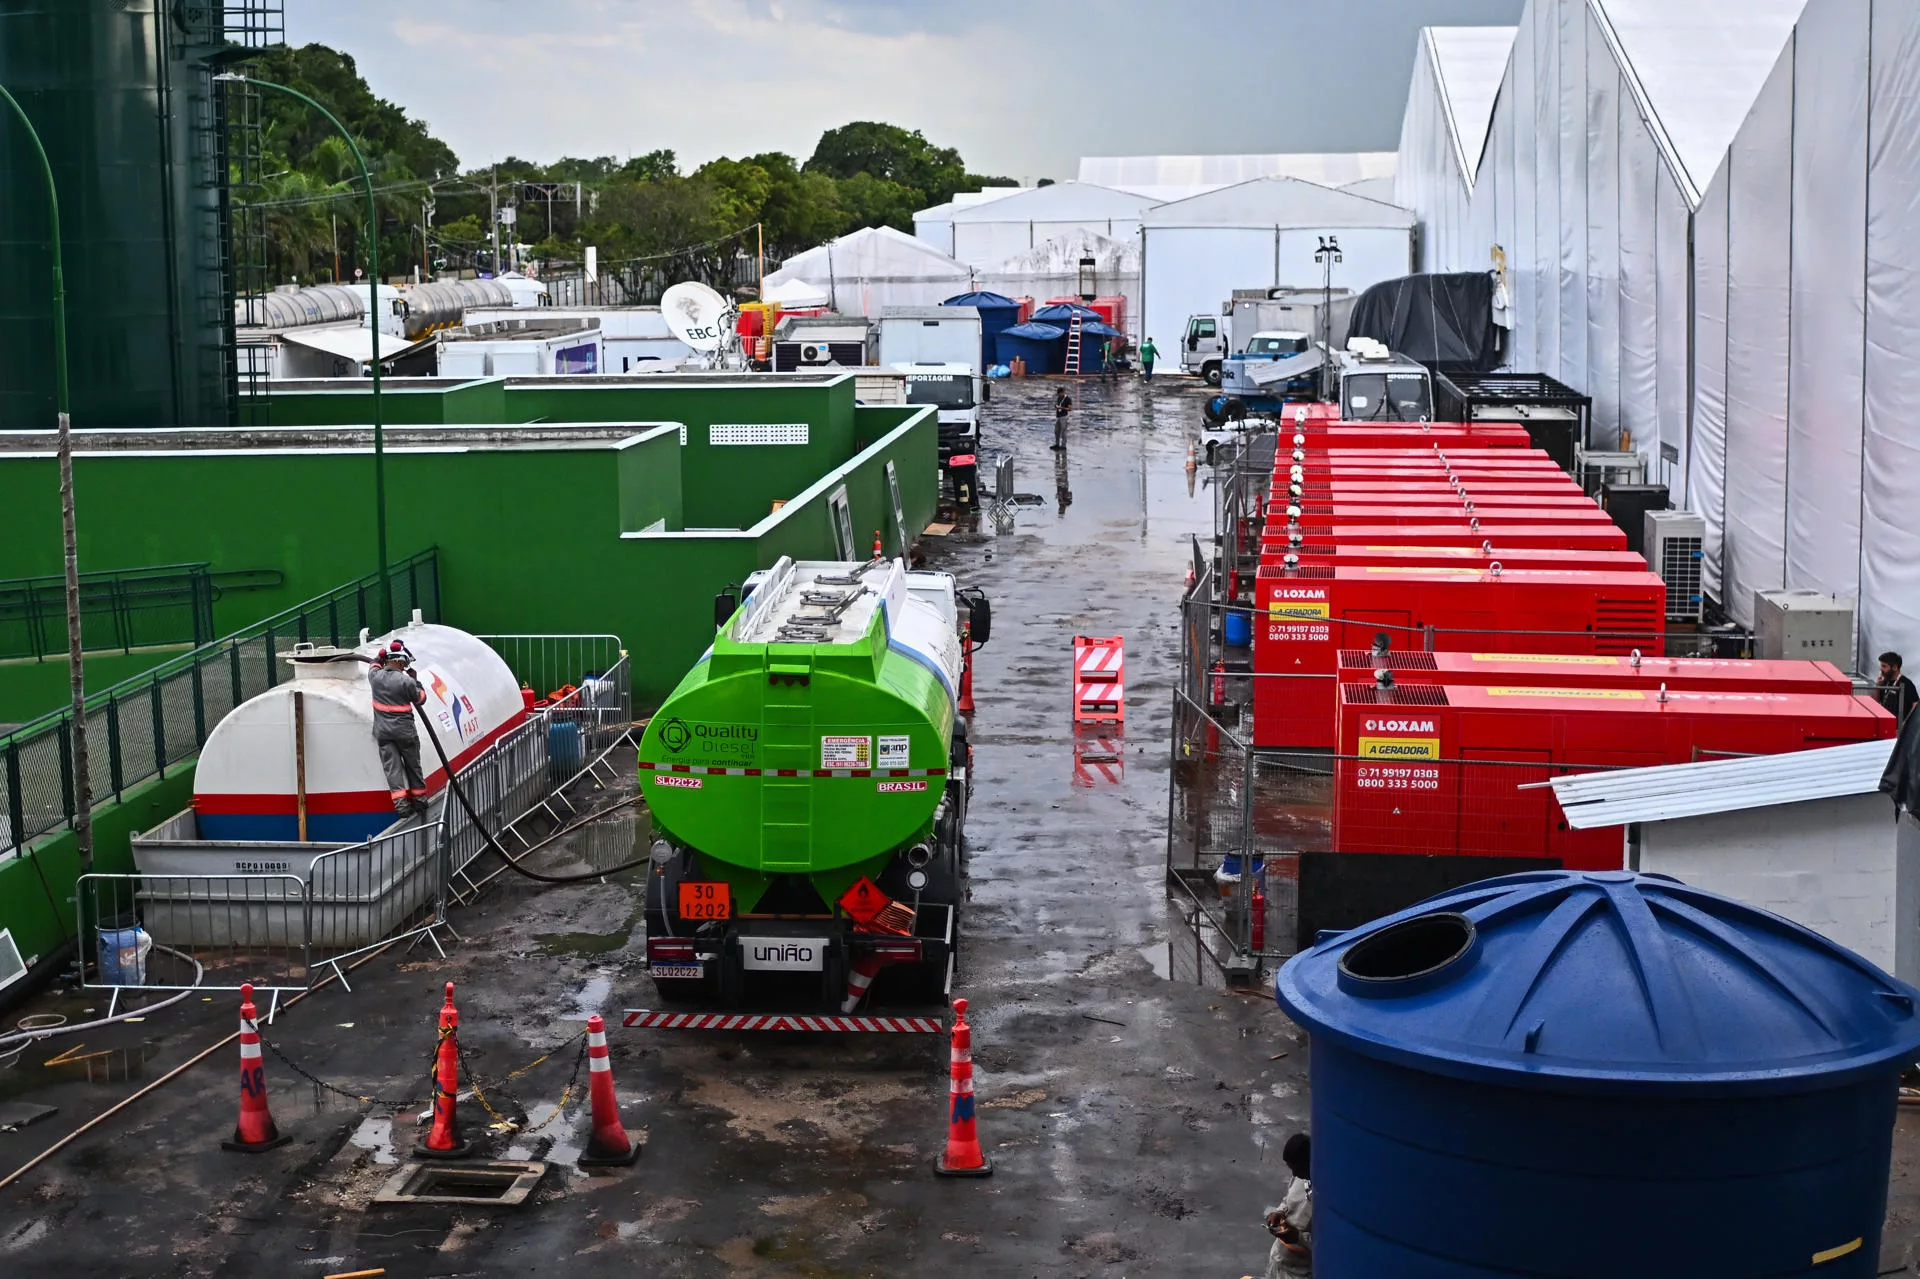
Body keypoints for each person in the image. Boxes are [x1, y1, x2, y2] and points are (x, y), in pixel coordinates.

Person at [368, 640, 429, 819]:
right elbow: (421, 699)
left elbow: (373, 664)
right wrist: (416, 681)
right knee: (413, 765)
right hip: (405, 733)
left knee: (392, 770)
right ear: (401, 662)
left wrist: (380, 654)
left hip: (384, 733)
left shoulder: (375, 677)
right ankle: (419, 800)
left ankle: (401, 807)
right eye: (404, 663)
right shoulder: (406, 681)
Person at [1263, 1132, 1313, 1278]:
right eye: (1290, 1168)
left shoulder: (1328, 1199)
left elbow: (1327, 1248)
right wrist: (1279, 1212)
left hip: (1299, 1273)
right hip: (1278, 1261)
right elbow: (1288, 1200)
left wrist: (1297, 1237)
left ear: (1310, 1161)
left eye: (1296, 1167)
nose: (1294, 1173)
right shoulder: (1300, 1177)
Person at [1880, 652, 1918, 727]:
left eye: (1884, 666)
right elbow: (1876, 701)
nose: (1881, 669)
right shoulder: (1884, 681)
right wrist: (1877, 686)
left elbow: (1915, 704)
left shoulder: (1906, 683)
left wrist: (1905, 723)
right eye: (1881, 666)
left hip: (1898, 729)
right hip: (1885, 725)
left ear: (1895, 667)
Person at [1052, 385, 1073, 451]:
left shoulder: (1068, 399)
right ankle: (1057, 444)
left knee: (1063, 431)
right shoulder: (1059, 397)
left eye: (1060, 393)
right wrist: (1056, 406)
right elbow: (1058, 404)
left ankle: (1063, 446)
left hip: (1064, 416)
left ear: (1063, 392)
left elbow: (1070, 408)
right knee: (1056, 431)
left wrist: (1061, 408)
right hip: (1058, 416)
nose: (1059, 395)